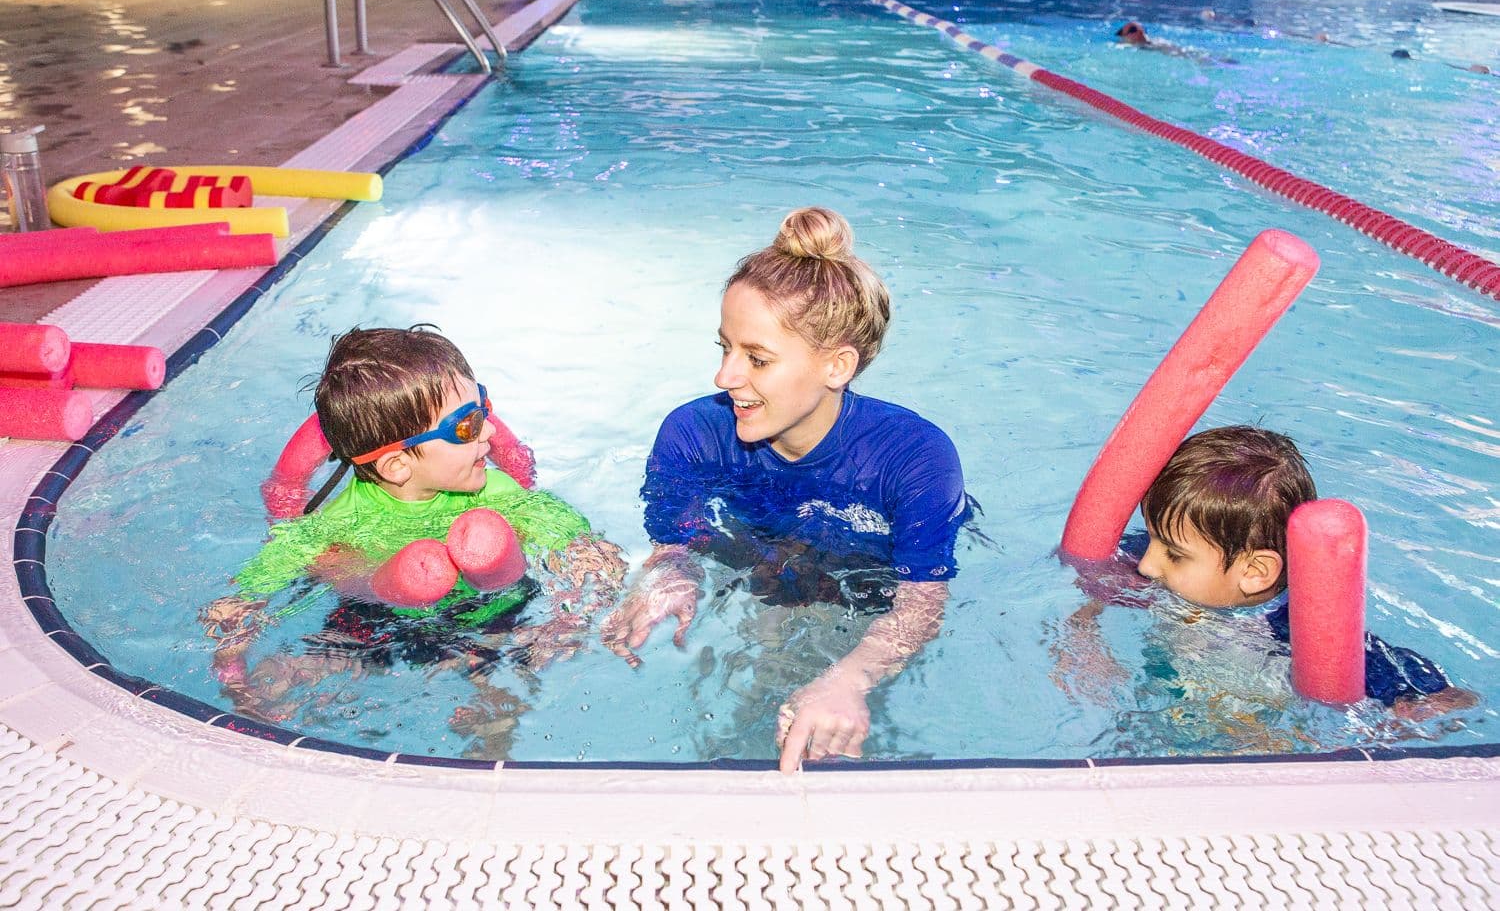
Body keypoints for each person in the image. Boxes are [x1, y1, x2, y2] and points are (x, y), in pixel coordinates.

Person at [600, 207, 970, 774]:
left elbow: (922, 601)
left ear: (837, 365)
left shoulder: (913, 458)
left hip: (867, 579)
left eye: (757, 359)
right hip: (765, 557)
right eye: (724, 348)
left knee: (836, 714)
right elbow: (674, 543)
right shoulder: (693, 434)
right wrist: (669, 578)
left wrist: (852, 676)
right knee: (757, 694)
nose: (725, 377)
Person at [202, 326, 627, 755]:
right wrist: (232, 663)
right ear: (397, 464)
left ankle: (490, 745)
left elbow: (579, 545)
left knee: (498, 691)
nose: (490, 434)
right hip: (374, 611)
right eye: (467, 426)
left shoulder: (495, 494)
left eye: (483, 409)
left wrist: (571, 618)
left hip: (488, 613)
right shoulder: (339, 521)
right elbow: (256, 584)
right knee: (300, 669)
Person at [1054, 426, 1476, 723]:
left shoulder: (1296, 630)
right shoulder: (1151, 564)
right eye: (1151, 539)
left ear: (1255, 572)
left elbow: (1454, 699)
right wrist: (1084, 638)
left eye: (1175, 555)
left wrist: (1409, 717)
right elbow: (1095, 582)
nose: (1147, 564)